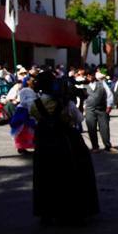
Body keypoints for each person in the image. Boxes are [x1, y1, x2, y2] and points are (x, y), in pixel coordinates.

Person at [31, 72, 98, 224]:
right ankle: (73, 212)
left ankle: (47, 212)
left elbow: (37, 119)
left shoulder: (35, 104)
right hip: (67, 141)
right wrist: (79, 102)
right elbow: (78, 119)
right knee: (72, 174)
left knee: (45, 176)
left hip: (45, 142)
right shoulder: (66, 103)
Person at [83, 69, 114, 152]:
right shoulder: (83, 85)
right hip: (89, 110)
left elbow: (109, 94)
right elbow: (81, 98)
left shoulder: (101, 83)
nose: (89, 76)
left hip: (102, 109)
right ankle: (95, 147)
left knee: (105, 128)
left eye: (90, 74)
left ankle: (108, 146)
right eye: (87, 75)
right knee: (91, 128)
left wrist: (109, 106)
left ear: (94, 75)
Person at [8, 78, 38, 153]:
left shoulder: (32, 90)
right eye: (31, 80)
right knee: (23, 129)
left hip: (30, 110)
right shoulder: (25, 90)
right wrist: (32, 104)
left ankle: (30, 146)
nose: (33, 81)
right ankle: (21, 147)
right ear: (27, 82)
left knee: (30, 129)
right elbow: (23, 101)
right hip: (24, 111)